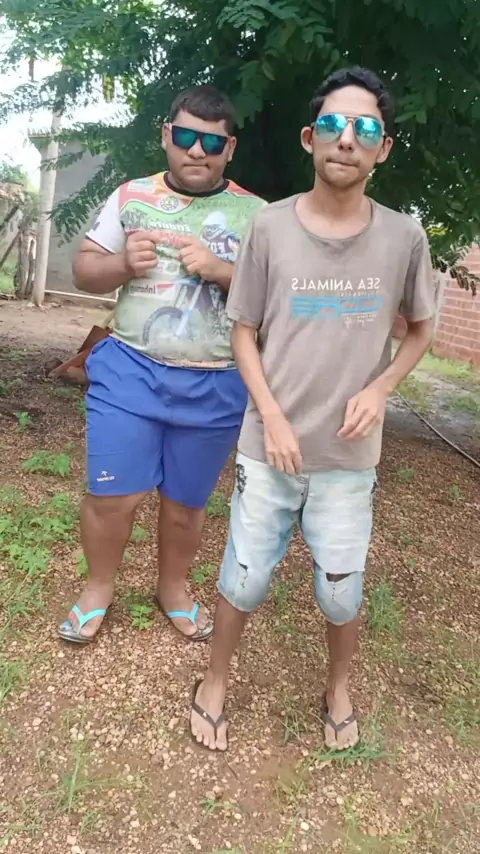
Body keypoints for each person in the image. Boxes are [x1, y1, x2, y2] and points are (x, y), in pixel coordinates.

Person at [190, 67, 435, 751]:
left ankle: (338, 687)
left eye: (365, 128)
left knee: (341, 592)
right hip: (269, 447)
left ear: (383, 148)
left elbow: (420, 329)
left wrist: (380, 389)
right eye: (332, 124)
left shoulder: (404, 238)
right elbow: (244, 331)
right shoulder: (269, 227)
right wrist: (269, 414)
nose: (346, 138)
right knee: (244, 576)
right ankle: (215, 679)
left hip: (349, 458)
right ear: (309, 138)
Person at [58, 85, 264, 644]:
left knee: (184, 506)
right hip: (131, 370)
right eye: (186, 137)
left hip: (217, 383)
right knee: (112, 497)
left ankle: (172, 588)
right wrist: (123, 264)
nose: (197, 151)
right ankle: (98, 588)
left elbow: (277, 302)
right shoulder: (131, 196)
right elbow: (83, 271)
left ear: (229, 149)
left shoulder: (258, 215)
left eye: (212, 142)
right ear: (167, 136)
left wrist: (224, 272)